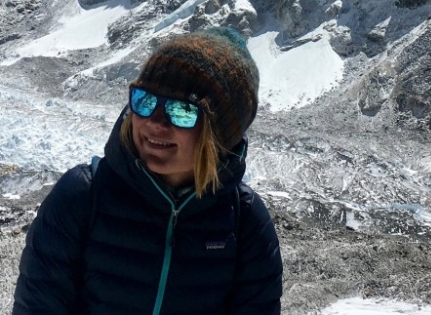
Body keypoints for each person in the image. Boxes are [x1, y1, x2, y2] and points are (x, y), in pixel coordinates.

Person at [13, 27, 283, 315]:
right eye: (146, 100)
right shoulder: (82, 197)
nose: (155, 122)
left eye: (182, 111)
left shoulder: (245, 223)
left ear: (221, 135)